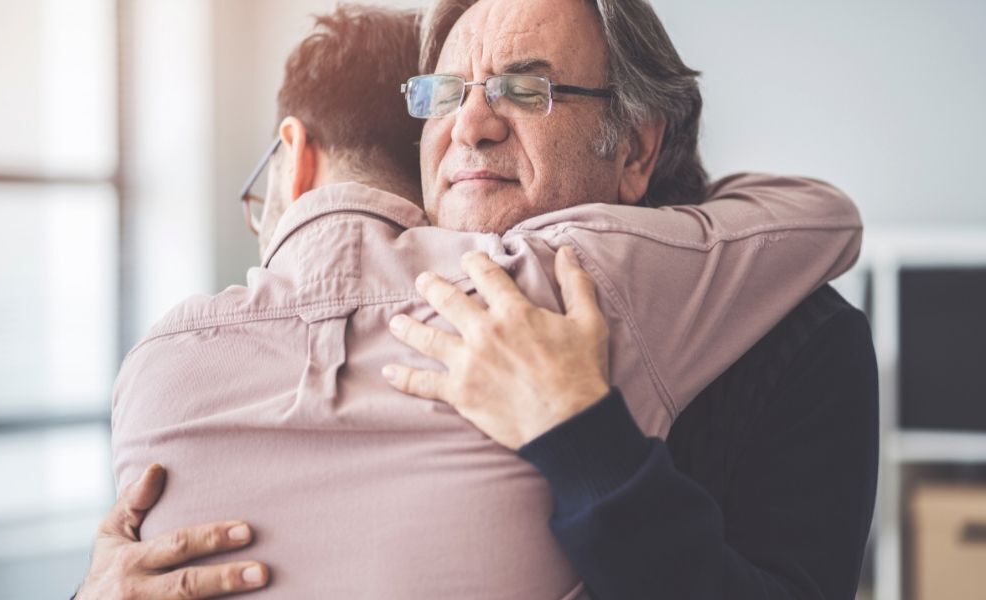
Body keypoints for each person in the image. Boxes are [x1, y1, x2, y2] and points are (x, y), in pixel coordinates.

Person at [75, 1, 874, 599]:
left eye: (526, 90)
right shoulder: (330, 330)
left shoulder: (799, 334)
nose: (473, 124)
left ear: (634, 148)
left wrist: (581, 438)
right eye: (445, 92)